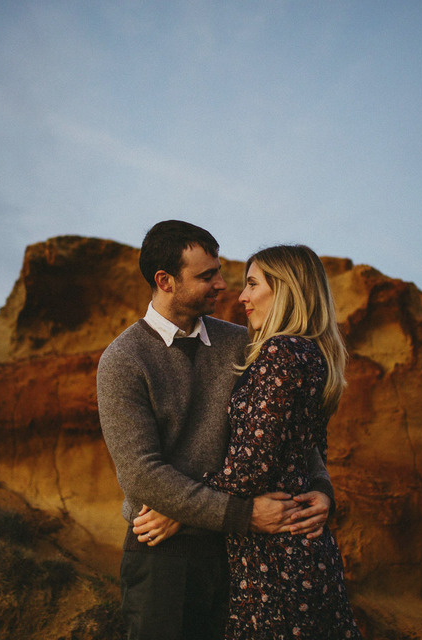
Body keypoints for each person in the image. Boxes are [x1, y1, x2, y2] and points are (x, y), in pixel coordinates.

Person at [97, 221, 335, 640]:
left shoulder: (244, 342)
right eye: (207, 276)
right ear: (165, 281)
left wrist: (321, 486)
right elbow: (140, 475)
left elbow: (292, 428)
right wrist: (242, 514)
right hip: (163, 556)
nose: (222, 285)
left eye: (220, 272)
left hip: (238, 556)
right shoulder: (123, 359)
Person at [205, 244, 362, 639]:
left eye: (253, 284)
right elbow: (312, 451)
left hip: (274, 559)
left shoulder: (279, 352)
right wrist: (322, 491)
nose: (242, 296)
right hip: (307, 549)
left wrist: (182, 507)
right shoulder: (313, 354)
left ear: (286, 291)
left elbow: (250, 466)